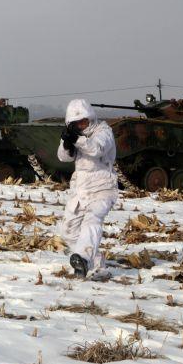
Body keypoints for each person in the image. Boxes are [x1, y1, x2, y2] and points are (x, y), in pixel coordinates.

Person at [58, 99, 118, 278]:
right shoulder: (76, 136)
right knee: (68, 231)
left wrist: (76, 139)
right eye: (77, 123)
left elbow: (97, 149)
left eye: (84, 121)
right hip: (81, 190)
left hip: (102, 189)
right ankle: (95, 260)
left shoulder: (104, 131)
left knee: (92, 222)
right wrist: (67, 144)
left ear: (91, 118)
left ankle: (83, 259)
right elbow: (63, 158)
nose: (81, 125)